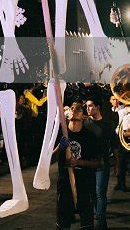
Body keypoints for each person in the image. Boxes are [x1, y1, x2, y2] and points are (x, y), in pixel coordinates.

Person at [54, 102, 103, 230]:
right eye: (72, 108)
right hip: (65, 186)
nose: (75, 110)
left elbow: (99, 162)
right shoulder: (60, 134)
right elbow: (48, 159)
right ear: (68, 114)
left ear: (83, 116)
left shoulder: (90, 136)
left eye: (79, 109)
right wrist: (60, 147)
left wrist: (79, 162)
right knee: (63, 225)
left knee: (87, 225)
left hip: (85, 186)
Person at [85, 98, 118, 230]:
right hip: (88, 163)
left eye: (91, 106)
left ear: (98, 107)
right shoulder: (85, 123)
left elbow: (115, 145)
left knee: (100, 193)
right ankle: (101, 223)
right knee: (93, 193)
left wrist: (117, 165)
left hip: (102, 164)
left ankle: (99, 222)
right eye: (86, 106)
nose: (88, 109)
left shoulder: (107, 124)